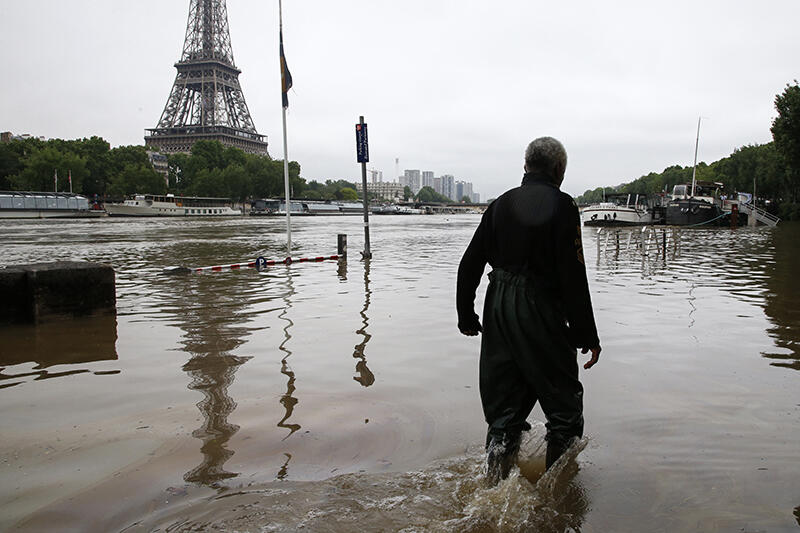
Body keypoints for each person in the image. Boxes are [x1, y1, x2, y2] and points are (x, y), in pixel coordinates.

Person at [456, 136, 601, 483]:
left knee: (504, 413)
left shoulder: (499, 205)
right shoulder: (563, 206)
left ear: (525, 166)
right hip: (538, 308)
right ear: (558, 169)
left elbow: (469, 263)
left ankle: (492, 490)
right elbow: (572, 275)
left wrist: (466, 315)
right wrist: (586, 334)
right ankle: (558, 496)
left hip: (498, 307)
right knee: (564, 411)